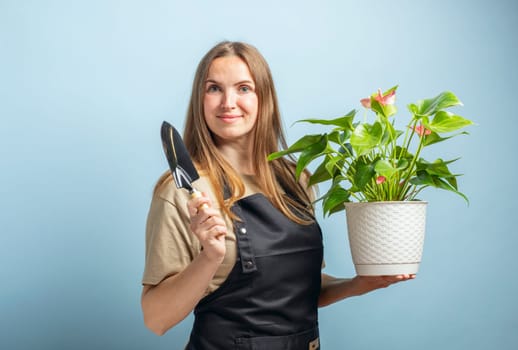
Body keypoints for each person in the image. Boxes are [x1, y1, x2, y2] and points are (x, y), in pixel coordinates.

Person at [141, 41, 414, 349]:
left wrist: (356, 285)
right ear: (199, 99)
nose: (228, 102)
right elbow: (156, 319)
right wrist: (209, 258)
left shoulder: (296, 179)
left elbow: (300, 288)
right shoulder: (184, 193)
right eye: (214, 88)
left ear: (264, 98)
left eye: (244, 88)